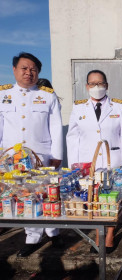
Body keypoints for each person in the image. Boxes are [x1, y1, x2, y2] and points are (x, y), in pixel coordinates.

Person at [0, 52, 63, 257]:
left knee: (47, 194)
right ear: (14, 70)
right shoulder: (3, 95)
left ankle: (54, 232)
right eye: (24, 68)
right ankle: (32, 237)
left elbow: (55, 127)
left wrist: (57, 154)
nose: (29, 72)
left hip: (42, 157)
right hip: (12, 160)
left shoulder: (47, 95)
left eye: (33, 69)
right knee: (24, 196)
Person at [66, 69, 122, 253]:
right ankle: (100, 233)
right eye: (92, 83)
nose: (96, 87)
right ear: (86, 86)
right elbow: (72, 138)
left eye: (100, 83)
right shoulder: (78, 108)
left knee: (110, 199)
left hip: (112, 161)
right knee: (93, 199)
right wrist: (74, 166)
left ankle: (108, 235)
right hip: (88, 163)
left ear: (106, 86)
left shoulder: (119, 108)